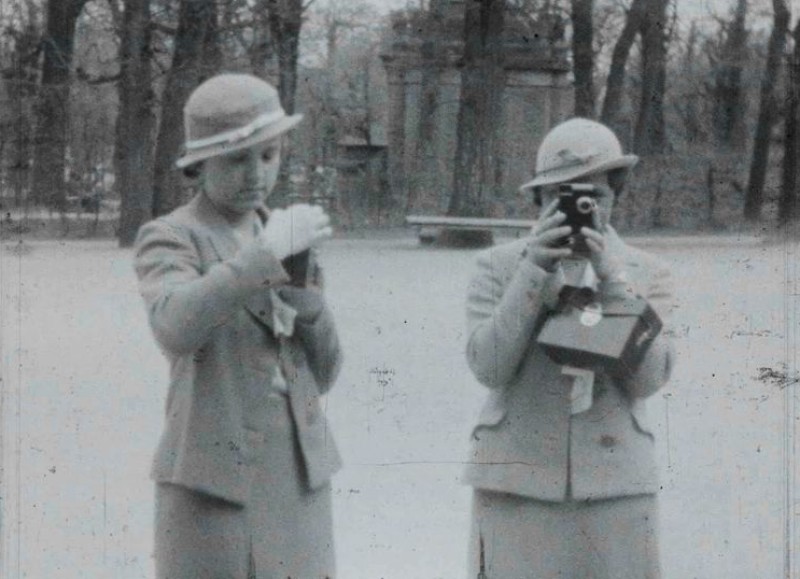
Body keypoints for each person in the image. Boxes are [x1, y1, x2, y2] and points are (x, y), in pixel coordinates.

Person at [134, 73, 342, 578]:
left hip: (297, 475)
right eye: (236, 159)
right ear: (198, 164)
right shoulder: (172, 235)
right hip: (213, 482)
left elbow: (326, 373)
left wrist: (305, 297)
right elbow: (175, 326)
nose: (256, 174)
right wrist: (263, 257)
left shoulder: (282, 234)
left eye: (268, 156)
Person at [463, 118, 675, 578]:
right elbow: (489, 367)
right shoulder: (498, 267)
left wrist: (614, 281)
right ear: (538, 201)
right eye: (563, 197)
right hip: (518, 483)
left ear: (615, 196)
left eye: (593, 196)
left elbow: (650, 378)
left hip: (615, 485)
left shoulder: (645, 272)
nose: (582, 210)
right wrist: (532, 274)